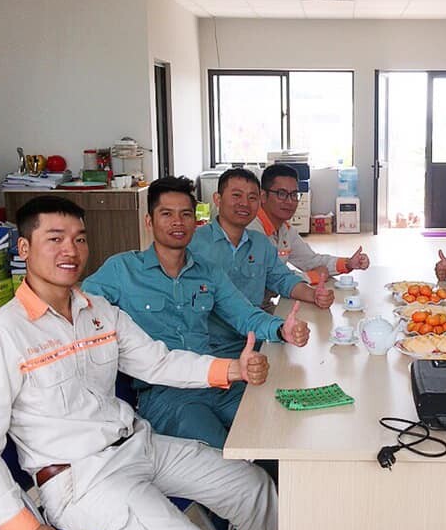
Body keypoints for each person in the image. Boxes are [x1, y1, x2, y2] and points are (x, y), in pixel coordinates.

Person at [0, 195, 277, 530]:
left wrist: (232, 370)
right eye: (55, 239)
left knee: (253, 486)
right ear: (24, 248)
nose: (70, 250)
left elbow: (158, 362)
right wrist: (23, 527)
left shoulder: (99, 312)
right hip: (81, 479)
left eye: (79, 239)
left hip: (138, 446)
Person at [84, 176, 310, 448]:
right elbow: (79, 308)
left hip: (216, 380)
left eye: (185, 214)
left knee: (277, 432)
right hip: (166, 394)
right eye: (166, 214)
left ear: (195, 221)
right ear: (149, 221)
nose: (177, 222)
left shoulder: (208, 272)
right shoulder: (123, 270)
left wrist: (281, 329)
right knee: (224, 451)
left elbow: (244, 314)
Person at [189, 168, 334, 356]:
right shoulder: (195, 244)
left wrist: (314, 295)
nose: (244, 203)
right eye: (236, 195)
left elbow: (283, 279)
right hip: (211, 348)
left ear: (260, 201)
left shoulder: (259, 243)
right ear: (217, 199)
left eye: (252, 198)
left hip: (256, 336)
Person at [250, 163, 370, 286]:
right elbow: (267, 278)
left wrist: (348, 263)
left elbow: (310, 261)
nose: (290, 201)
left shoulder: (285, 229)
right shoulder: (252, 231)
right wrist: (312, 276)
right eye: (282, 194)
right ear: (263, 196)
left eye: (294, 194)